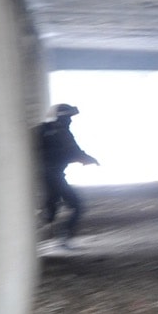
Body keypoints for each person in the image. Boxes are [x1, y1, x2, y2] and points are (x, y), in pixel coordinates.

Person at [36, 103, 99, 247]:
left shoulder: (41, 130)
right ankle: (62, 236)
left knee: (51, 210)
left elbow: (72, 152)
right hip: (54, 176)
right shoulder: (62, 133)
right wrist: (88, 159)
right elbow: (73, 151)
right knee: (76, 205)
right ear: (60, 118)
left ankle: (52, 235)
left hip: (47, 176)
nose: (70, 121)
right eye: (68, 118)